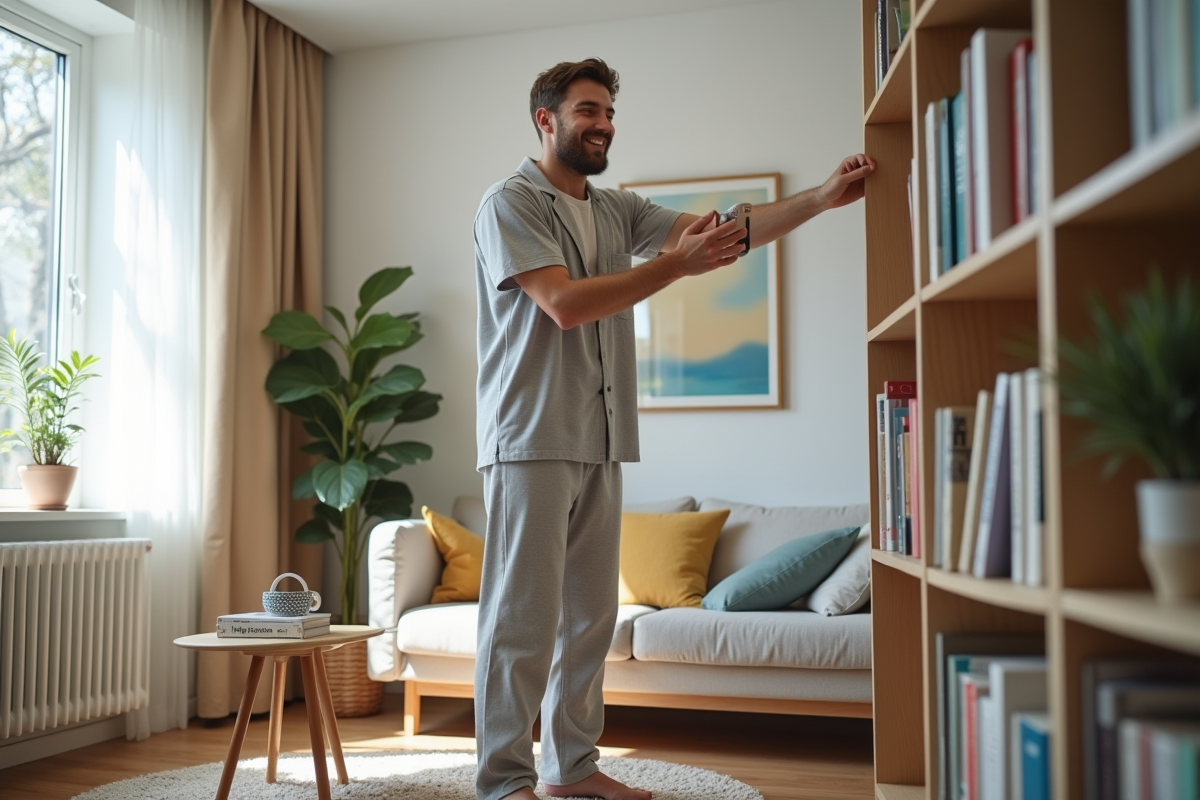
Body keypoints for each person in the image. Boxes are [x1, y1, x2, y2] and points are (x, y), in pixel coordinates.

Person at [472, 57, 874, 800]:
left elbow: (727, 234)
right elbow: (563, 304)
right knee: (521, 623)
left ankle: (574, 771)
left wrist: (819, 199)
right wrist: (675, 270)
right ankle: (504, 783)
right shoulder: (511, 204)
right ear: (546, 120)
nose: (603, 125)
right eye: (588, 111)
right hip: (528, 439)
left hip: (601, 437)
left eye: (609, 113)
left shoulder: (616, 208)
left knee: (589, 619)